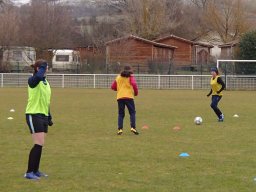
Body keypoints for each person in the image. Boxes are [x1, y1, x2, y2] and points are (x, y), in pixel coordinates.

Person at [24, 60, 53, 180]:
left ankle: (36, 171)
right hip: (33, 114)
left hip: (43, 115)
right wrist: (41, 67)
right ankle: (29, 172)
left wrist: (49, 116)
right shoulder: (33, 80)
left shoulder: (45, 82)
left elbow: (45, 100)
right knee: (38, 143)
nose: (46, 69)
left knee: (40, 145)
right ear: (38, 69)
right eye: (45, 68)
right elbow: (36, 78)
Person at [111, 65, 139, 135]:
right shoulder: (130, 76)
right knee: (132, 112)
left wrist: (119, 89)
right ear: (130, 70)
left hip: (120, 97)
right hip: (129, 97)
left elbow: (113, 87)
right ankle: (133, 127)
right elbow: (134, 84)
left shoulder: (118, 77)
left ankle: (120, 129)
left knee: (121, 114)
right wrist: (136, 92)